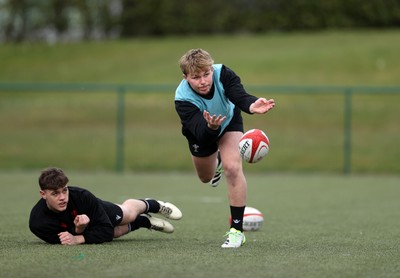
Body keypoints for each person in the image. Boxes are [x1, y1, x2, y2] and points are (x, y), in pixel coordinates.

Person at [175, 49, 275, 248]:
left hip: (229, 122)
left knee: (232, 168)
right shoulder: (182, 99)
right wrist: (211, 127)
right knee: (205, 177)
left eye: (206, 74)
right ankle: (217, 159)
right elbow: (200, 132)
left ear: (211, 69)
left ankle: (237, 231)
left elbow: (239, 95)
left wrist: (252, 105)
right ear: (186, 77)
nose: (203, 81)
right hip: (201, 133)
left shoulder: (223, 73)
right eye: (196, 77)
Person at [29, 167, 183, 245]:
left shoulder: (82, 196)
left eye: (65, 190)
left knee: (126, 215)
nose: (63, 197)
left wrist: (78, 238)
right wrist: (78, 231)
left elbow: (105, 230)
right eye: (55, 194)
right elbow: (62, 240)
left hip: (97, 212)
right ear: (43, 194)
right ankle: (144, 221)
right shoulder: (38, 223)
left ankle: (153, 205)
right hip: (79, 228)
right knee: (115, 233)